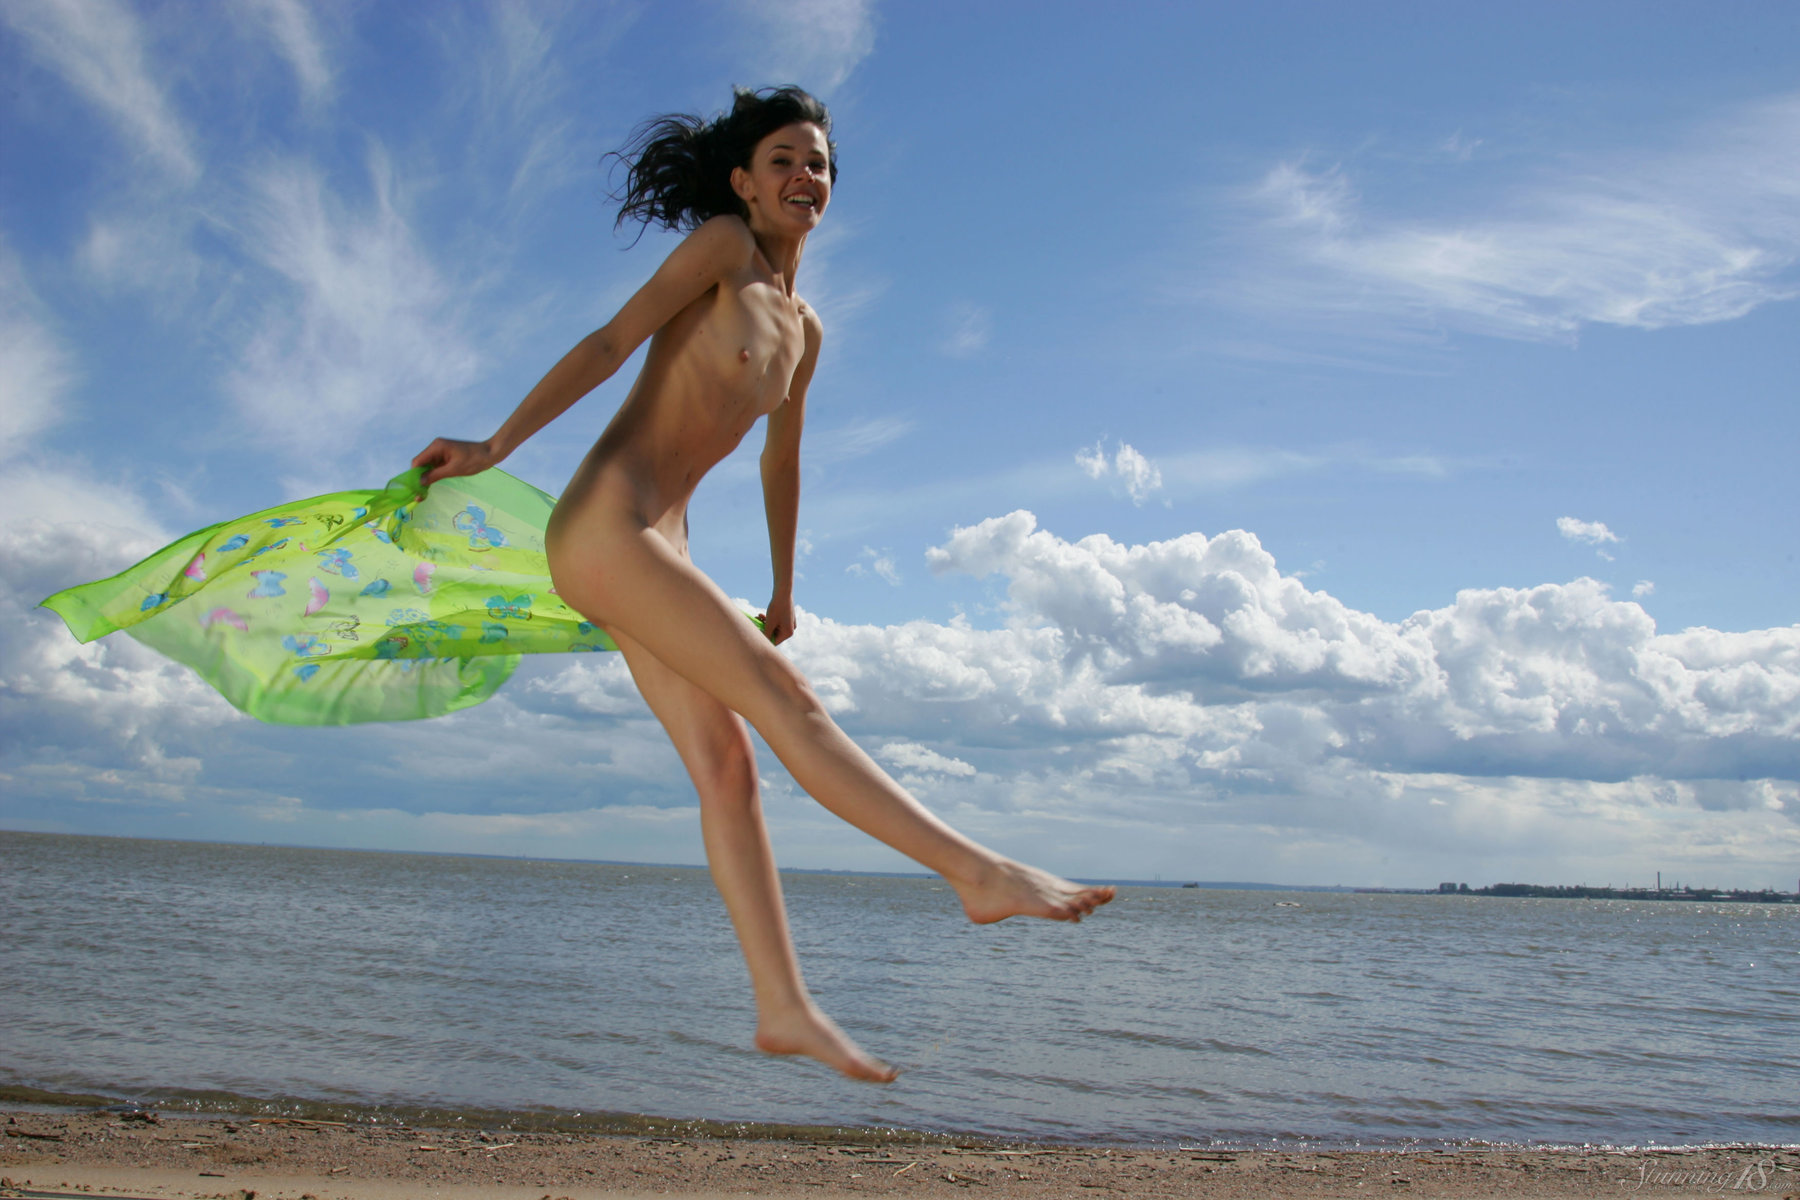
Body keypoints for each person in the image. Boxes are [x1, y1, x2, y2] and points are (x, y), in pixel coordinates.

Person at [410, 87, 1113, 1082]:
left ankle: (783, 1007)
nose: (803, 176)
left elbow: (781, 462)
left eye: (818, 163)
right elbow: (610, 343)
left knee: (729, 767)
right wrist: (494, 445)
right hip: (606, 527)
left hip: (664, 547)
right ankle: (979, 872)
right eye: (783, 159)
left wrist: (784, 590)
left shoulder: (806, 330)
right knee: (791, 704)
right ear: (742, 181)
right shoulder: (722, 251)